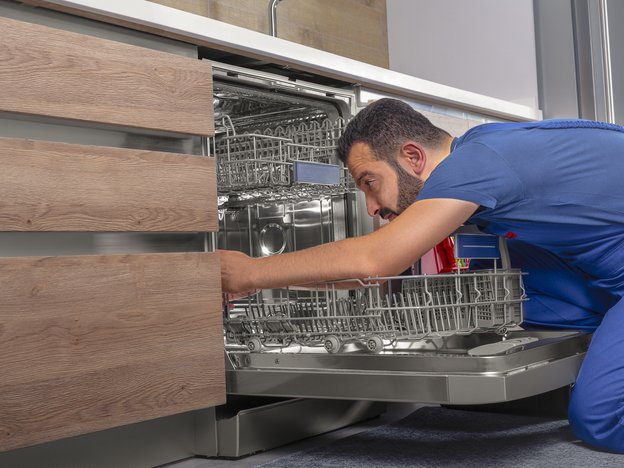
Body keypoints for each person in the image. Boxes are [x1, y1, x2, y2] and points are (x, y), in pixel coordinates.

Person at [220, 98, 624, 453]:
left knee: (599, 419)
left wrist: (250, 272)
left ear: (413, 157)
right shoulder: (484, 151)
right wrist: (274, 280)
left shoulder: (476, 164)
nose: (370, 207)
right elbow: (370, 274)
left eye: (369, 182)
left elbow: (375, 261)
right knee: (524, 282)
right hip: (607, 273)